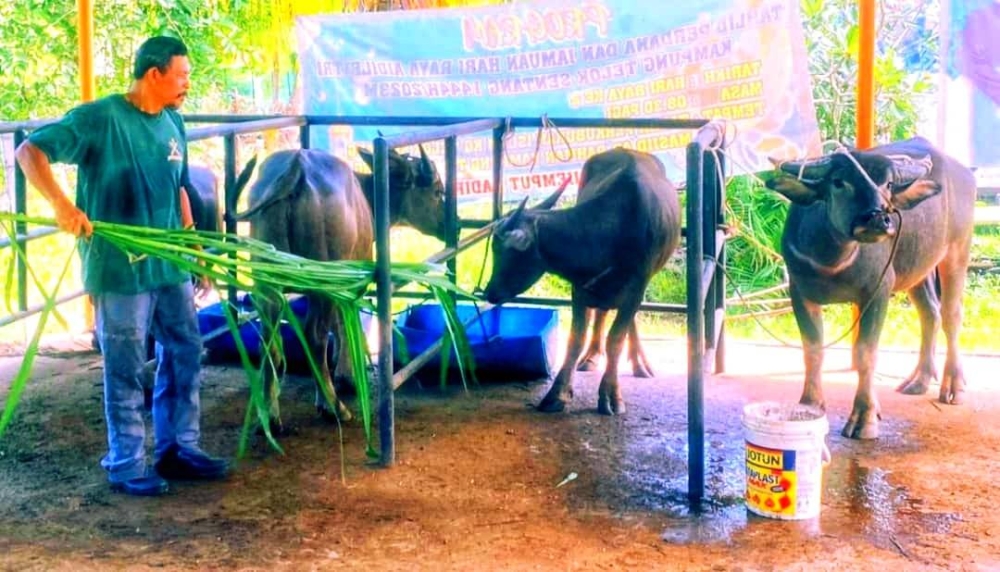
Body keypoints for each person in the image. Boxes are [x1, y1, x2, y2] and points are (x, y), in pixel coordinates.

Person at [15, 36, 228, 496]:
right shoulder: (99, 118)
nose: (187, 84)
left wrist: (195, 248)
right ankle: (127, 462)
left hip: (169, 262)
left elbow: (179, 188)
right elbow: (30, 152)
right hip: (119, 269)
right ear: (154, 74)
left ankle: (178, 447)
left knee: (185, 349)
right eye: (182, 75)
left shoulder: (173, 122)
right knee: (126, 363)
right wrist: (62, 205)